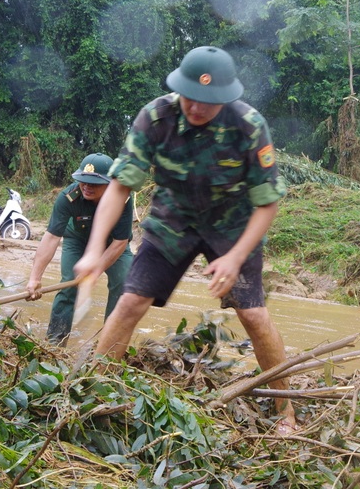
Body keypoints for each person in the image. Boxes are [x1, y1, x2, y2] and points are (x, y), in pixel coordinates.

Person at [72, 45, 297, 433]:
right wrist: (94, 250)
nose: (196, 108)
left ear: (225, 97)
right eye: (191, 97)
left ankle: (285, 412)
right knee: (129, 302)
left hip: (232, 225)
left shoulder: (248, 125)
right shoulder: (155, 117)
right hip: (172, 220)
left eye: (207, 103)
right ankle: (94, 394)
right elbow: (120, 187)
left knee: (253, 315)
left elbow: (267, 204)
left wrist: (235, 257)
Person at [25, 153, 134, 346]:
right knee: (69, 283)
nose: (87, 187)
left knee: (124, 283)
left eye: (94, 183)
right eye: (83, 181)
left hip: (113, 245)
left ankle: (110, 346)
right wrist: (35, 277)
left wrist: (96, 270)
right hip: (77, 240)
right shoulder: (68, 198)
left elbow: (120, 242)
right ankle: (54, 344)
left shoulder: (123, 198)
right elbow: (51, 238)